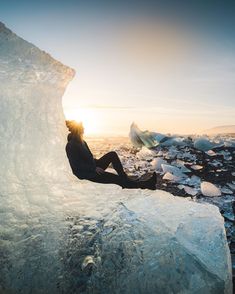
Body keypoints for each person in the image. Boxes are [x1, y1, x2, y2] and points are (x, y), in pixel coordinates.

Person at [65, 120, 157, 190]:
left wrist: (96, 163)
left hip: (92, 167)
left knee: (112, 155)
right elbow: (76, 165)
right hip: (87, 173)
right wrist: (93, 168)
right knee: (117, 179)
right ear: (77, 130)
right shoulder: (71, 145)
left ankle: (124, 178)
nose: (84, 129)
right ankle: (147, 185)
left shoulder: (82, 142)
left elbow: (88, 159)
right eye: (82, 127)